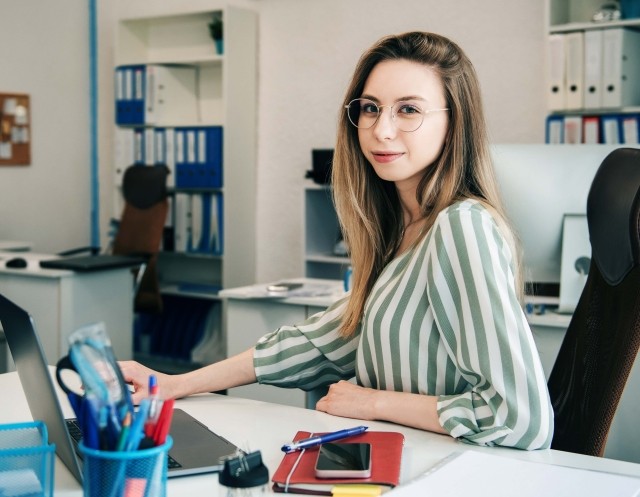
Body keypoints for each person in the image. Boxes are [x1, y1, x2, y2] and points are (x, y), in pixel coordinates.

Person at [120, 31, 553, 450]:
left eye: (408, 110)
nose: (381, 130)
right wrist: (173, 384)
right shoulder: (401, 234)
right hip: (407, 460)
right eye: (370, 108)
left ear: (454, 121)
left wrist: (374, 402)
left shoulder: (462, 226)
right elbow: (317, 342)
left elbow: (520, 419)